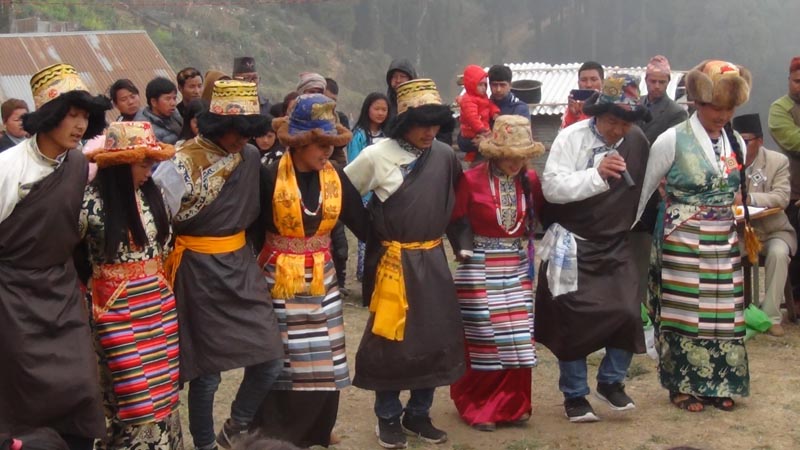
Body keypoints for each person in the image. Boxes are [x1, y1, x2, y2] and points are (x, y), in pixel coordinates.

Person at [155, 80, 284, 450]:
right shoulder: (180, 161)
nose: (240, 140)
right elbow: (162, 218)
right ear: (215, 125)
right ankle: (205, 443)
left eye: (247, 133)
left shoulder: (251, 157)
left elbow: (258, 214)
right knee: (207, 373)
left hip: (241, 265)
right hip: (196, 269)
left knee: (270, 357)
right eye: (234, 132)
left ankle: (235, 427)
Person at [345, 79, 465, 449]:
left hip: (431, 256)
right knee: (391, 340)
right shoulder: (376, 156)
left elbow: (455, 204)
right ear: (403, 121)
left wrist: (462, 246)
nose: (430, 132)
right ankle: (387, 417)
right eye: (421, 123)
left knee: (432, 336)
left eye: (435, 124)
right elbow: (347, 195)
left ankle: (420, 413)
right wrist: (372, 233)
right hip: (392, 261)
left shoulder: (445, 156)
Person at [0, 62, 111, 449]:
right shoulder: (8, 168)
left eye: (85, 116)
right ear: (49, 116)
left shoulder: (79, 164)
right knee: (21, 398)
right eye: (71, 115)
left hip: (61, 293)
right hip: (12, 297)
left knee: (80, 385)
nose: (80, 126)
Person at [250, 93, 368, 449]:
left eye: (331, 143)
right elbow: (251, 232)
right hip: (278, 281)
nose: (326, 151)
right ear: (299, 143)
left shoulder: (335, 179)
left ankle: (317, 430)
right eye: (319, 143)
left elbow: (364, 224)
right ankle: (276, 436)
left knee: (325, 361)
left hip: (322, 280)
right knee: (284, 363)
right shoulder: (269, 177)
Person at [639, 60, 752, 413]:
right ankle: (681, 383)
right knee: (685, 311)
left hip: (723, 237)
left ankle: (722, 380)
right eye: (715, 107)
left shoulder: (736, 142)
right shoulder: (671, 139)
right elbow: (644, 192)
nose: (722, 115)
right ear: (698, 103)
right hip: (681, 236)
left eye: (728, 108)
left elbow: (736, 191)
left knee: (724, 311)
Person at [536, 76, 651, 423]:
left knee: (628, 310)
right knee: (571, 320)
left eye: (625, 123)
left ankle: (611, 382)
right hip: (573, 241)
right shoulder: (571, 137)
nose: (618, 129)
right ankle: (575, 396)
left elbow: (643, 188)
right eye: (612, 121)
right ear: (597, 114)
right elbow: (552, 187)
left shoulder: (638, 142)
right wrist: (596, 174)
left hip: (614, 242)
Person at [79, 121, 181, 449]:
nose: (150, 171)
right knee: (131, 391)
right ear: (121, 165)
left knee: (163, 387)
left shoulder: (153, 197)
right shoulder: (90, 205)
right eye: (143, 163)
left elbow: (165, 246)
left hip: (158, 305)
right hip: (115, 309)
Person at [449, 115, 545, 431]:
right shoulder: (472, 179)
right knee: (485, 337)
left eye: (522, 156)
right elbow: (458, 219)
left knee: (517, 336)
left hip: (516, 263)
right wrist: (463, 248)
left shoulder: (530, 181)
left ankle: (514, 404)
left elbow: (543, 215)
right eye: (509, 156)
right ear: (495, 153)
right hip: (478, 263)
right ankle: (478, 404)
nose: (516, 162)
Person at [631, 55, 689, 313]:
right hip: (630, 183)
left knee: (650, 245)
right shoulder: (634, 106)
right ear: (645, 80)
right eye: (652, 81)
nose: (656, 86)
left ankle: (649, 302)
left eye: (661, 82)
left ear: (668, 82)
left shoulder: (677, 113)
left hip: (657, 185)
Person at [733, 113, 796, 336]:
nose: (740, 145)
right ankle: (731, 314)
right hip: (739, 233)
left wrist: (750, 199)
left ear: (759, 141)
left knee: (779, 253)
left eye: (746, 140)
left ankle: (770, 317)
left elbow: (781, 197)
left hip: (773, 230)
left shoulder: (777, 161)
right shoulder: (727, 161)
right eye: (736, 139)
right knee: (721, 253)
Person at [346, 92, 390, 288]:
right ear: (367, 109)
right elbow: (356, 165)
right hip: (365, 193)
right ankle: (366, 275)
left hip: (387, 192)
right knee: (367, 235)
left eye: (384, 109)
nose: (380, 113)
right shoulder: (359, 135)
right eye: (376, 108)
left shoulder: (389, 135)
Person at [768, 56, 800, 306]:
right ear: (789, 80)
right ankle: (795, 301)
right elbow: (792, 140)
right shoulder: (780, 109)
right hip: (793, 191)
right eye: (798, 81)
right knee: (796, 250)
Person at [457, 65, 500, 157]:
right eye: (480, 84)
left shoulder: (483, 98)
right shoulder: (468, 99)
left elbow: (490, 105)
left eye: (485, 85)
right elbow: (472, 117)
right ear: (471, 84)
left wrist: (495, 112)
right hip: (471, 131)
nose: (484, 88)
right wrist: (481, 130)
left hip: (482, 129)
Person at [134, 77, 183, 145]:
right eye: (168, 99)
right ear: (154, 102)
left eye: (174, 98)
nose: (173, 103)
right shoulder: (144, 129)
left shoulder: (174, 113)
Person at [560, 61, 604, 129]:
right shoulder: (573, 109)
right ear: (578, 83)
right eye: (583, 80)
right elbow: (565, 136)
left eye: (594, 79)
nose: (588, 85)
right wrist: (572, 115)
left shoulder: (610, 106)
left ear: (603, 82)